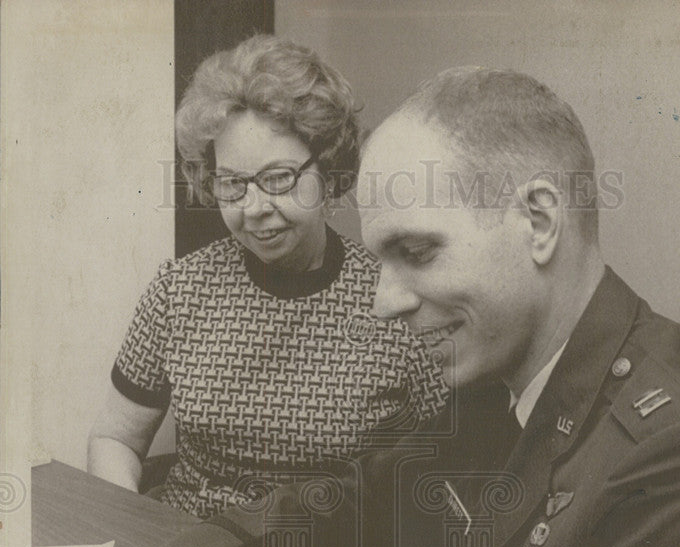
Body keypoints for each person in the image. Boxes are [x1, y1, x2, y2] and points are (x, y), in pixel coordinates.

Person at [35, 68, 680, 547]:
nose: (384, 300)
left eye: (417, 252)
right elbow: (346, 507)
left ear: (539, 220)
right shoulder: (501, 383)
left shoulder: (667, 454)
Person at [87, 34, 447, 518]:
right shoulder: (179, 291)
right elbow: (115, 438)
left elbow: (448, 469)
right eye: (233, 184)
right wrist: (135, 526)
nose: (254, 208)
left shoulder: (397, 298)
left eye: (278, 178)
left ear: (329, 169)